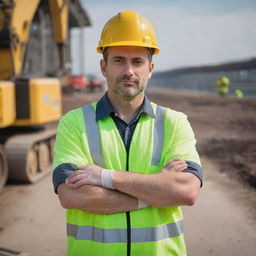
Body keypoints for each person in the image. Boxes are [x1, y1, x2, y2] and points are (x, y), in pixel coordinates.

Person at [52, 10, 203, 256]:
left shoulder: (175, 122)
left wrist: (105, 177)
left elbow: (186, 191)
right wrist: (154, 194)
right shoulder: (74, 123)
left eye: (138, 62)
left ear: (150, 68)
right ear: (104, 66)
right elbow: (71, 196)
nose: (129, 71)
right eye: (119, 60)